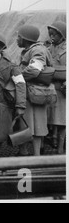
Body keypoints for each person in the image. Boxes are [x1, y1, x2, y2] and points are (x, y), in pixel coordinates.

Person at [17, 25, 54, 156]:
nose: (17, 40)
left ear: (25, 38)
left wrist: (18, 77)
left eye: (19, 37)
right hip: (32, 92)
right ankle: (25, 152)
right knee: (27, 123)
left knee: (37, 124)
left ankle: (36, 155)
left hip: (36, 93)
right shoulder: (32, 50)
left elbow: (34, 69)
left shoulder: (38, 50)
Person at [46, 22, 66, 154]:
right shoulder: (48, 48)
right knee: (51, 119)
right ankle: (52, 141)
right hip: (50, 87)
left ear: (62, 35)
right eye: (50, 34)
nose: (52, 36)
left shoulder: (66, 50)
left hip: (62, 89)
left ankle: (60, 147)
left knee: (62, 121)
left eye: (55, 34)